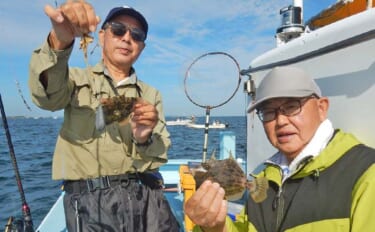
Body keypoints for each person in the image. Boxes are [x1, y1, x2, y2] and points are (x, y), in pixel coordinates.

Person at [28, 1, 180, 231]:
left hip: (147, 198)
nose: (127, 38)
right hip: (90, 204)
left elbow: (159, 155)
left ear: (142, 47)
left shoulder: (151, 94)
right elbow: (47, 97)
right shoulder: (76, 79)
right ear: (101, 36)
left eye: (136, 35)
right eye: (118, 29)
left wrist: (143, 138)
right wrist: (60, 41)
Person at [185, 66, 375, 232]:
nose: (281, 121)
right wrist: (214, 228)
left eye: (292, 106)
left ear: (321, 108)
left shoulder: (365, 171)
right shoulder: (263, 177)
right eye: (268, 112)